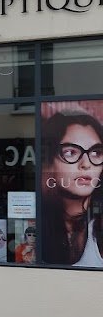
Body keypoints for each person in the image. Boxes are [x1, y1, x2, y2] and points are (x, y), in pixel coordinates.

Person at [41, 109, 103, 267]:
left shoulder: (98, 228)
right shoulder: (38, 223)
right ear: (50, 161)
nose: (86, 164)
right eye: (70, 152)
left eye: (96, 153)